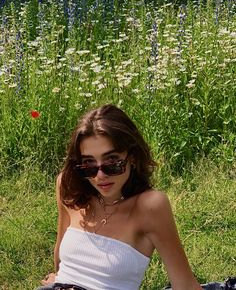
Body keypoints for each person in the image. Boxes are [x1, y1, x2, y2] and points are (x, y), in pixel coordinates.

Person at [37, 104, 202, 290]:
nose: (100, 176)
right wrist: (59, 279)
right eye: (89, 165)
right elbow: (60, 257)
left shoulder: (150, 206)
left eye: (112, 162)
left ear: (131, 156)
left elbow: (185, 285)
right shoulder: (69, 187)